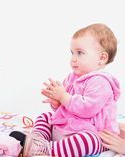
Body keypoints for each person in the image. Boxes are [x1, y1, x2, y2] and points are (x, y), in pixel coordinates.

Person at [32, 23, 121, 156]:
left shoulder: (101, 82)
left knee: (88, 140)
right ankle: (37, 141)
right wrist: (57, 103)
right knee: (46, 117)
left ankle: (49, 149)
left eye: (80, 53)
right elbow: (66, 108)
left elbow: (87, 109)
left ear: (102, 58)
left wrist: (63, 97)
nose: (73, 58)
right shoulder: (72, 77)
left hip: (92, 132)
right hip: (68, 128)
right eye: (72, 53)